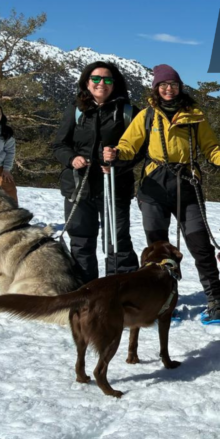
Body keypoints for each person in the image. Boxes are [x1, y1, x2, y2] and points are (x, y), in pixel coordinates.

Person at [104, 64, 220, 320]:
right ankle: (162, 301)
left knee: (200, 245)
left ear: (180, 88)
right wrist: (116, 154)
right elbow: (128, 145)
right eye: (163, 85)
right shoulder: (146, 116)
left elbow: (211, 148)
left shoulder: (194, 116)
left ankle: (215, 299)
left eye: (173, 85)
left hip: (187, 186)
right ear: (156, 88)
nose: (169, 89)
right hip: (154, 188)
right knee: (158, 251)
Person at [54, 63, 141, 280]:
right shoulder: (75, 110)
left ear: (115, 84)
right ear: (86, 82)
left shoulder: (128, 112)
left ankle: (122, 292)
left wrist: (118, 160)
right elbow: (59, 145)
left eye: (108, 80)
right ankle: (87, 293)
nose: (101, 83)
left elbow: (141, 150)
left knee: (116, 240)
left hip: (114, 184)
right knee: (81, 240)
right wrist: (72, 158)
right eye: (96, 79)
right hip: (79, 185)